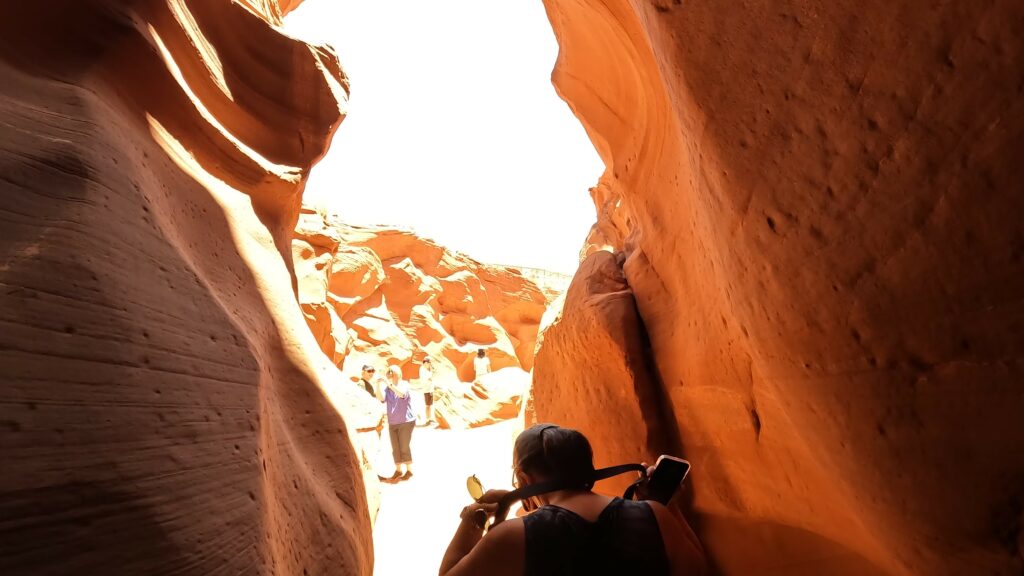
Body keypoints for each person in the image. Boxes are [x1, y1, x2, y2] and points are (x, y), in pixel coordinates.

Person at [439, 424, 707, 576]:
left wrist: (474, 516)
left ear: (523, 478)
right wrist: (667, 505)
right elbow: (698, 570)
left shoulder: (514, 536)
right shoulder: (654, 516)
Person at [376, 365, 416, 482]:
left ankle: (409, 470)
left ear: (398, 373)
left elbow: (402, 394)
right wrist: (378, 384)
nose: (389, 373)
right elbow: (381, 398)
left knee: (403, 446)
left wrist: (389, 383)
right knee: (395, 447)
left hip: (406, 421)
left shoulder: (404, 384)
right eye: (388, 371)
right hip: (393, 422)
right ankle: (398, 470)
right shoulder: (388, 389)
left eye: (391, 371)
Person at [421, 357, 437, 425]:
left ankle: (430, 418)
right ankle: (427, 419)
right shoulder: (422, 369)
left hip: (430, 389)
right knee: (427, 405)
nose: (430, 364)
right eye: (429, 363)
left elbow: (431, 377)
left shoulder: (428, 369)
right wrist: (431, 373)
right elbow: (429, 378)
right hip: (426, 389)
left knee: (430, 405)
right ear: (425, 363)